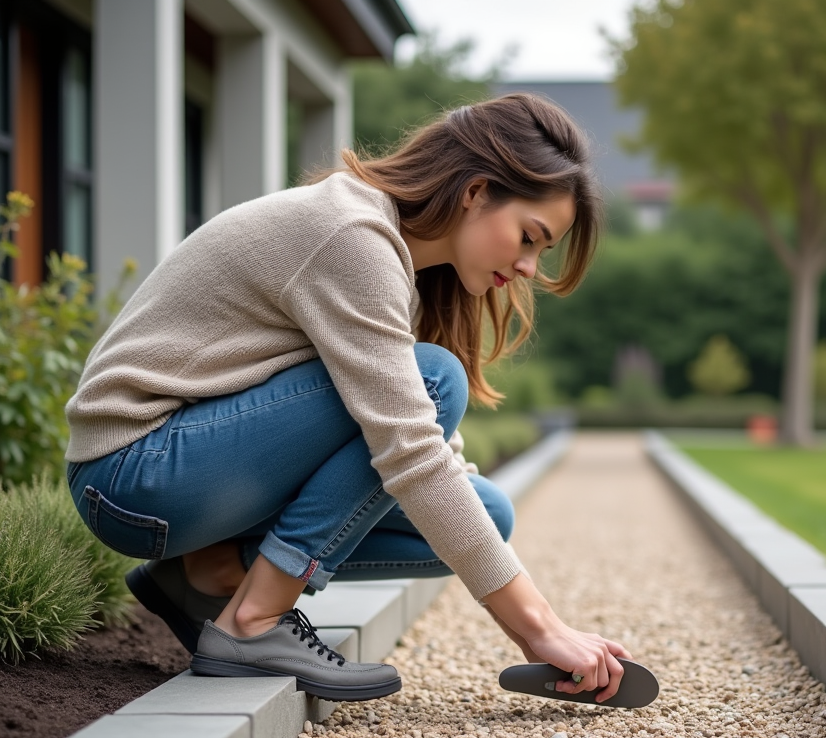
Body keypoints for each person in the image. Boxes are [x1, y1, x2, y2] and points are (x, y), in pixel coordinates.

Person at [64, 93, 631, 703]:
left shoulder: (398, 263)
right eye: (529, 236)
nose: (527, 266)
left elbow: (419, 438)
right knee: (436, 378)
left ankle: (205, 574)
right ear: (476, 191)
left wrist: (484, 542)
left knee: (486, 511)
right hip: (134, 473)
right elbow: (410, 436)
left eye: (540, 251)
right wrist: (538, 626)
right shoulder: (353, 236)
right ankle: (252, 623)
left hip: (184, 473)